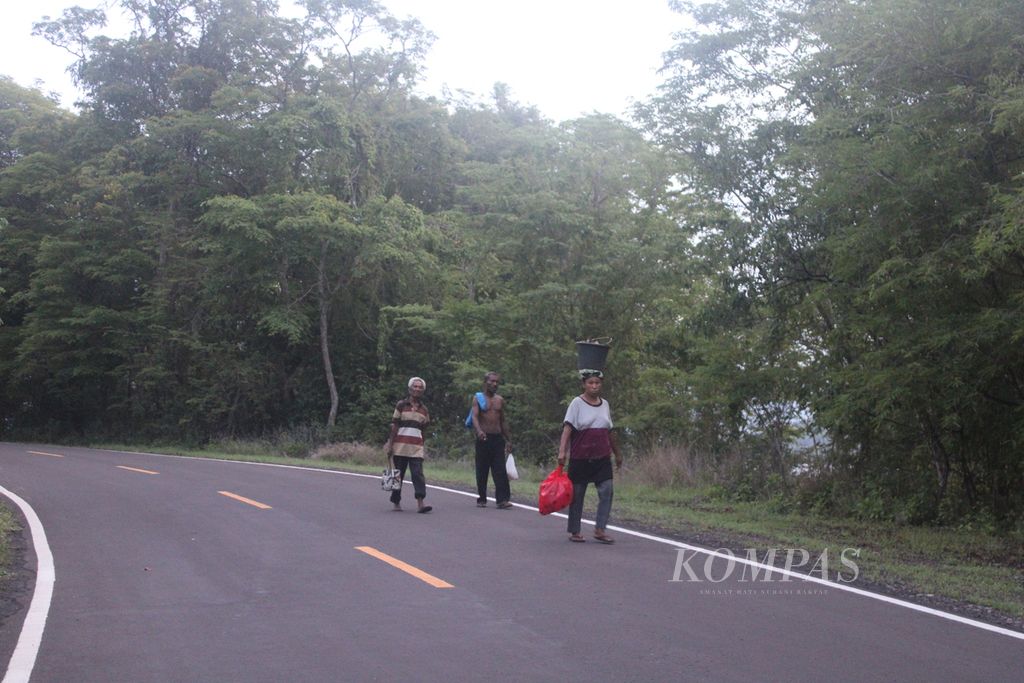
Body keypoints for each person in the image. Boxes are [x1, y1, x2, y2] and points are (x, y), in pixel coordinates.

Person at [557, 370, 623, 543]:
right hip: (580, 457)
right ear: (584, 384)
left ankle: (600, 529)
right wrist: (562, 452)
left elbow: (609, 431)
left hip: (602, 457)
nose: (594, 386)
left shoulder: (605, 404)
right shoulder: (576, 403)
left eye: (597, 383)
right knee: (577, 495)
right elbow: (567, 429)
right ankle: (575, 531)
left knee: (607, 490)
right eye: (590, 383)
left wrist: (617, 454)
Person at [384, 377, 432, 513]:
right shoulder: (401, 405)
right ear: (410, 389)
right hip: (400, 447)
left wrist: (422, 444)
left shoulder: (424, 410)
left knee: (418, 474)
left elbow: (424, 428)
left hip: (416, 448)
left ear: (423, 390)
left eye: (420, 387)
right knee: (398, 475)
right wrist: (390, 444)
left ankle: (420, 503)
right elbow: (394, 425)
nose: (417, 389)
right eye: (415, 386)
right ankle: (396, 502)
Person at [470, 371, 513, 509]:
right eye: (492, 381)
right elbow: (475, 417)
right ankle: (482, 498)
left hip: (497, 439)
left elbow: (503, 421)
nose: (495, 384)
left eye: (497, 382)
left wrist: (508, 439)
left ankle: (502, 500)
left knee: (500, 470)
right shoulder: (478, 398)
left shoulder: (500, 400)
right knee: (482, 470)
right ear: (485, 382)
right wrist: (479, 431)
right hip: (483, 438)